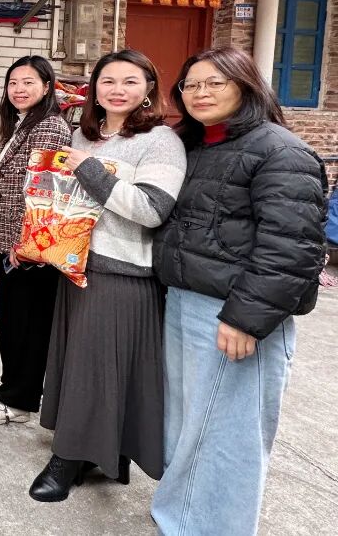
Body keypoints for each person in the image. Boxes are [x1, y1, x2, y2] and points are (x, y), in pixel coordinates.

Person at [151, 47, 328, 535]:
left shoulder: (280, 151)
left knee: (228, 433)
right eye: (191, 85)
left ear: (246, 86)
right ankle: (181, 517)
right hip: (185, 302)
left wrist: (244, 319)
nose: (200, 93)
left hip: (233, 313)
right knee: (189, 423)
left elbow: (291, 247)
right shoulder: (195, 146)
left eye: (215, 83)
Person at [29, 50, 186, 502]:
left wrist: (88, 169)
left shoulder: (161, 140)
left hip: (121, 273)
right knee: (79, 366)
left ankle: (66, 459)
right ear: (93, 89)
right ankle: (98, 452)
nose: (117, 90)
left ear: (149, 89)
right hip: (74, 264)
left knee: (96, 371)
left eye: (130, 81)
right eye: (108, 81)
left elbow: (151, 210)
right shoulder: (85, 133)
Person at [0, 55, 71, 426]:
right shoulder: (21, 122)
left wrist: (25, 244)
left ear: (47, 87)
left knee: (29, 324)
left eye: (29, 82)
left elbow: (44, 192)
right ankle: (14, 380)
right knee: (15, 319)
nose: (19, 89)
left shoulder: (49, 127)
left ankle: (19, 401)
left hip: (30, 246)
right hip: (12, 241)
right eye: (13, 82)